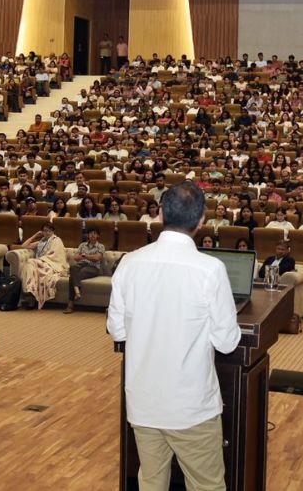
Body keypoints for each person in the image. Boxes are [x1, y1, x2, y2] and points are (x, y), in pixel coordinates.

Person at [107, 181, 239, 491]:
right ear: (202, 220)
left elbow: (117, 330)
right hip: (190, 406)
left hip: (144, 403)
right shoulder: (210, 269)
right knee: (207, 486)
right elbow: (227, 341)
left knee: (152, 483)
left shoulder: (130, 262)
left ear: (161, 212)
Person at [18, 223, 68, 309]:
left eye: (49, 230)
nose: (47, 232)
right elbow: (24, 246)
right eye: (45, 230)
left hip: (50, 264)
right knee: (29, 265)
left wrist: (42, 260)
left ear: (53, 231)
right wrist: (35, 235)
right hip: (38, 263)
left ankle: (31, 295)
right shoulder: (41, 241)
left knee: (30, 262)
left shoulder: (57, 240)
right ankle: (30, 293)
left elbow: (55, 255)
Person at [66, 227, 106, 314]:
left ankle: (70, 304)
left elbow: (97, 258)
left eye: (95, 233)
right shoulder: (82, 245)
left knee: (72, 277)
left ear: (98, 235)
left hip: (93, 268)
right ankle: (77, 291)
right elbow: (76, 258)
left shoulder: (101, 246)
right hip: (81, 265)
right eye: (90, 233)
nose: (92, 235)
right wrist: (88, 256)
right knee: (73, 268)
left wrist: (85, 255)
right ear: (88, 235)